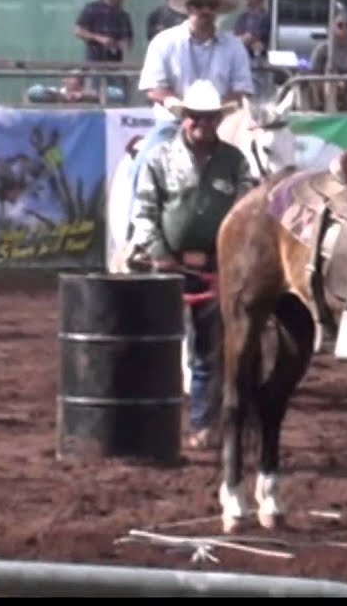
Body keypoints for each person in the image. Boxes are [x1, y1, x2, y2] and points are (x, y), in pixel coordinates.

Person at [126, 79, 258, 449]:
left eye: (209, 117)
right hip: (166, 267)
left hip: (216, 269)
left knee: (208, 351)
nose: (202, 123)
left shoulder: (234, 162)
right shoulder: (159, 159)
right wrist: (159, 251)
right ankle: (150, 421)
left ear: (218, 119)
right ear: (185, 118)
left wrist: (226, 257)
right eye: (196, 117)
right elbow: (145, 211)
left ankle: (202, 422)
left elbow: (244, 213)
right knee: (158, 347)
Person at [131, 0, 253, 229]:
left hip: (221, 122)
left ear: (217, 9)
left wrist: (214, 110)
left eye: (210, 5)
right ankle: (134, 236)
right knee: (144, 162)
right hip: (173, 121)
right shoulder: (164, 41)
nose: (205, 10)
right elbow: (153, 87)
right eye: (198, 4)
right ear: (188, 8)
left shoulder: (234, 46)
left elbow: (240, 90)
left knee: (255, 169)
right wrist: (180, 106)